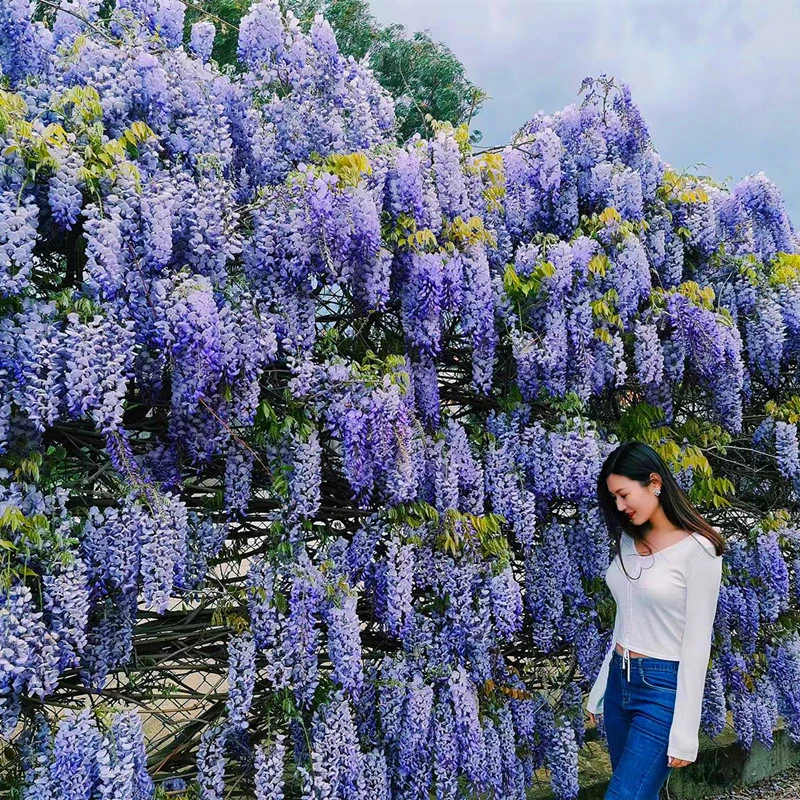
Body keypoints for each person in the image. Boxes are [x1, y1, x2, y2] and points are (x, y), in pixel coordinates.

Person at [585, 441, 726, 800]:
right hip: (620, 681)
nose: (619, 506)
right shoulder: (630, 540)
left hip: (663, 690)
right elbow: (626, 619)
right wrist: (602, 688)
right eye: (613, 498)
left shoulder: (700, 551)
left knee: (623, 796)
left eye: (623, 494)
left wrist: (685, 732)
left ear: (654, 483)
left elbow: (697, 645)